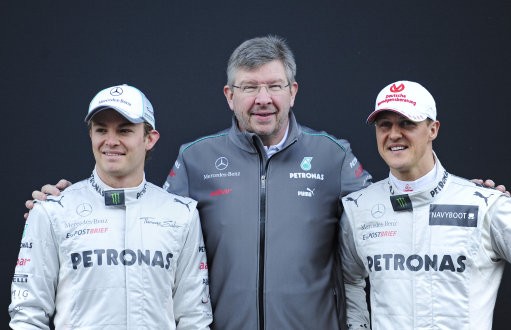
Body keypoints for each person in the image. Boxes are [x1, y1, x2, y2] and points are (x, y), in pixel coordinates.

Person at [23, 38, 506, 330]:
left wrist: (465, 196)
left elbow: (389, 206)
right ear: (229, 95)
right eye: (249, 87)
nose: (263, 99)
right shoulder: (196, 159)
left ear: (293, 91)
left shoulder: (332, 156)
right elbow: (149, 223)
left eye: (274, 85)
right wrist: (70, 205)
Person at [10, 84, 212, 329]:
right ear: (91, 135)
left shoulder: (182, 214)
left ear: (150, 138)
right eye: (101, 130)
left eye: (124, 130)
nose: (111, 141)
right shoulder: (52, 210)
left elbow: (194, 317)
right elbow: (27, 314)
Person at [340, 80, 511, 329]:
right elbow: (348, 280)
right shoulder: (358, 209)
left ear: (433, 129)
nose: (394, 134)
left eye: (407, 123)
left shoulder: (486, 205)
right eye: (384, 125)